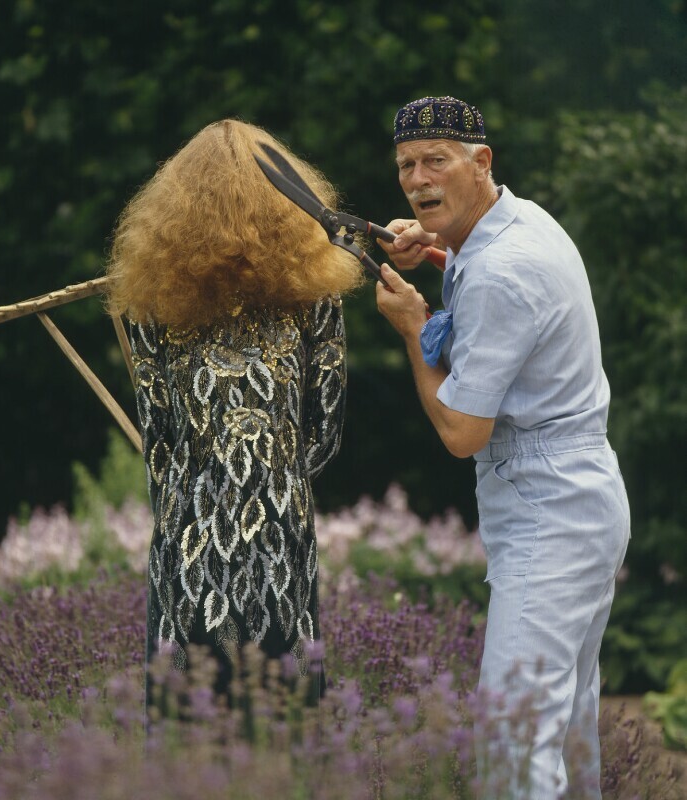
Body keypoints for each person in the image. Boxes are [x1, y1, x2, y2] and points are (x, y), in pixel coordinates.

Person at [375, 96, 630, 798]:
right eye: (406, 166)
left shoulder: (501, 272)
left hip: (550, 507)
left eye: (437, 161)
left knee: (513, 737)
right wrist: (431, 247)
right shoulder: (511, 222)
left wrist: (412, 327)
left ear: (481, 161)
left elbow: (462, 433)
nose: (419, 179)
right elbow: (475, 262)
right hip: (579, 491)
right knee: (566, 731)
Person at [105, 119, 364, 708]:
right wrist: (274, 484)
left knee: (189, 720)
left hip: (187, 533)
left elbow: (159, 441)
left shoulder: (152, 308)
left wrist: (191, 494)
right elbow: (325, 431)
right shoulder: (314, 300)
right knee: (284, 714)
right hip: (281, 529)